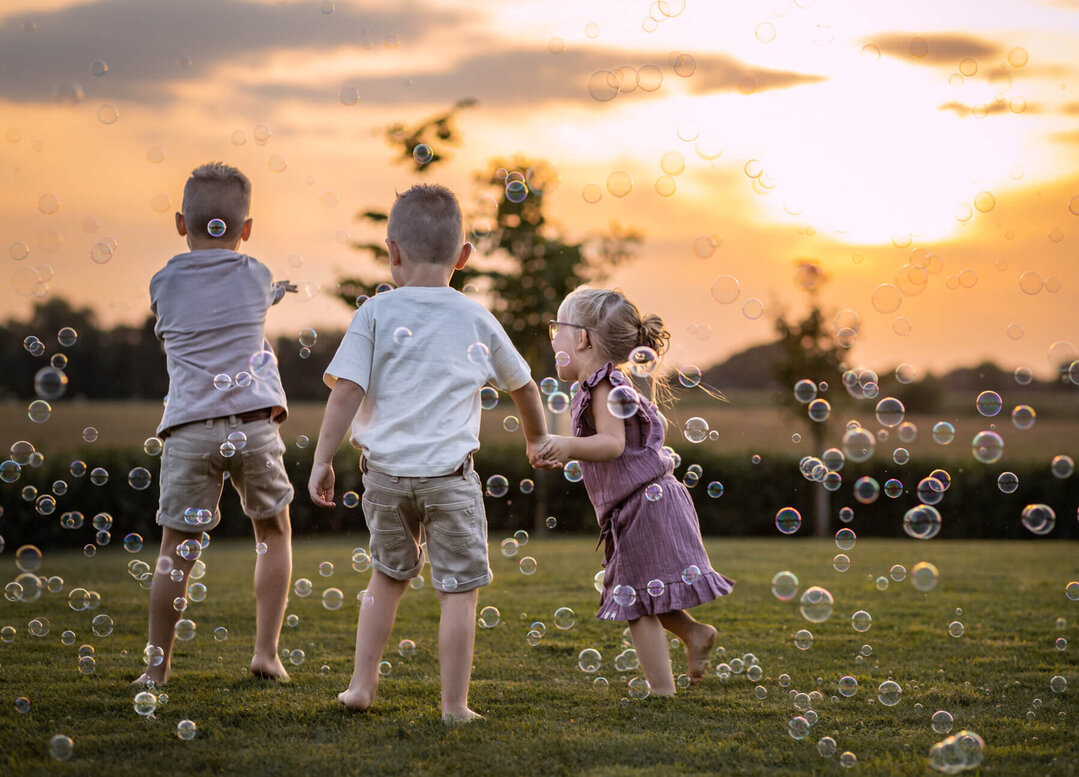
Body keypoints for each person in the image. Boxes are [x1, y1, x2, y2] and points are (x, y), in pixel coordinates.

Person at [308, 183, 549, 721]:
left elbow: (345, 390)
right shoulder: (476, 317)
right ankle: (454, 706)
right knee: (458, 592)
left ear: (392, 251)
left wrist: (322, 460)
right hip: (451, 479)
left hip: (385, 478)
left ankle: (361, 687)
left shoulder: (374, 313)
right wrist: (535, 439)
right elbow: (526, 387)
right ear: (463, 258)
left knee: (386, 577)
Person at [140, 162, 297, 686]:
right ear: (245, 229)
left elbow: (180, 327)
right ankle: (266, 653)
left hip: (189, 431)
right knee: (272, 532)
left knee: (174, 551)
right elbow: (246, 302)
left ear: (181, 222)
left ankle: (156, 671)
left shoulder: (162, 281)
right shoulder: (256, 274)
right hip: (253, 426)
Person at [533, 288, 733, 697]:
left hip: (645, 504)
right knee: (642, 590)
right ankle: (694, 634)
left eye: (558, 328)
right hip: (641, 502)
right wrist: (568, 451)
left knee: (634, 600)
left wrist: (566, 446)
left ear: (582, 339)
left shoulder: (604, 386)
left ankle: (661, 690)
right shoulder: (600, 386)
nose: (554, 339)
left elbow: (612, 445)